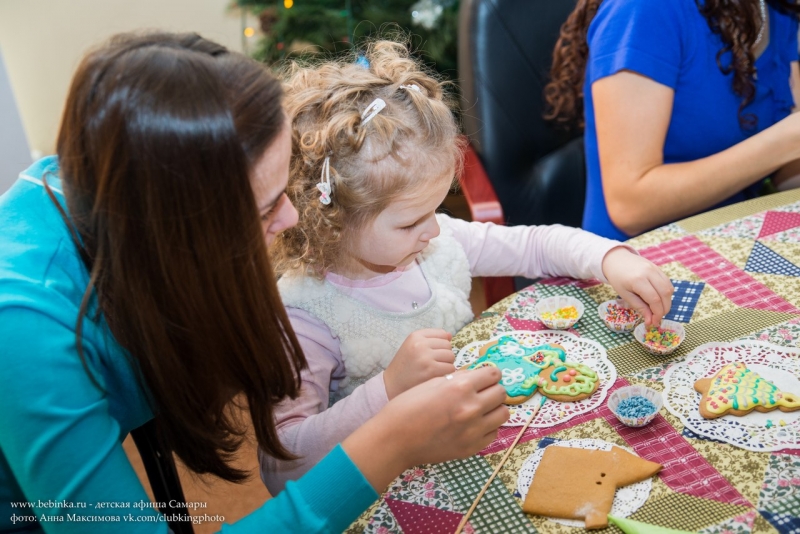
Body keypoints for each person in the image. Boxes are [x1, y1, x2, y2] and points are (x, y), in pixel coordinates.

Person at [0, 32, 511, 533]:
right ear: (181, 229)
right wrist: (391, 440)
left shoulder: (126, 183)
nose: (292, 218)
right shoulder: (23, 328)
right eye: (266, 207)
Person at [261, 40, 674, 493]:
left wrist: (610, 259)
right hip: (396, 490)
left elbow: (535, 245)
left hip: (475, 444)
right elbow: (282, 465)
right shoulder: (306, 318)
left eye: (437, 209)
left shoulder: (438, 242)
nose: (434, 230)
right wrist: (388, 388)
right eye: (411, 222)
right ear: (332, 221)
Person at [546, 0, 800, 240]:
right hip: (639, 258)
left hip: (732, 236)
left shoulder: (772, 9)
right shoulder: (644, 10)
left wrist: (788, 146)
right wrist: (781, 144)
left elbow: (788, 175)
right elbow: (629, 207)